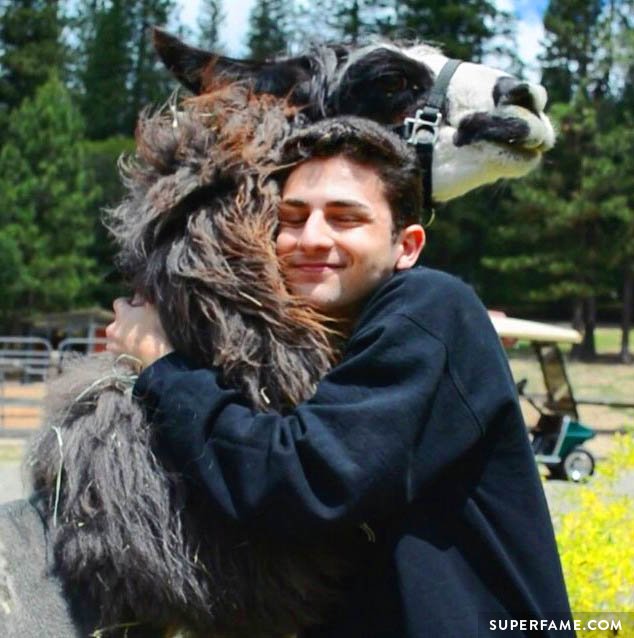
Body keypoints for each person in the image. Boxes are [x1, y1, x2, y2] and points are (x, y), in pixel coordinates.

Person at [106, 117, 574, 637]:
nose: (311, 238)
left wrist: (161, 363)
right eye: (293, 216)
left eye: (345, 218)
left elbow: (306, 480)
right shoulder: (337, 343)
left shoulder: (430, 308)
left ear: (408, 246)